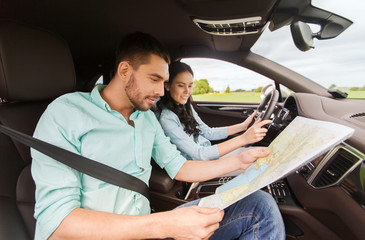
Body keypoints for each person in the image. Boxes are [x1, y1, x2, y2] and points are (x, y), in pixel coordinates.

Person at [31, 32, 285, 239]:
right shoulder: (66, 113)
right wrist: (165, 223)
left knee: (258, 206)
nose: (160, 92)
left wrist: (240, 160)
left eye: (163, 82)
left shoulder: (146, 118)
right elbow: (59, 224)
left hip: (147, 229)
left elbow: (179, 166)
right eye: (154, 79)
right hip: (114, 233)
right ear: (124, 71)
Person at [157, 61, 272, 161]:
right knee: (260, 157)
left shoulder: (186, 106)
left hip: (208, 153)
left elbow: (208, 132)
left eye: (190, 86)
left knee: (265, 152)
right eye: (181, 86)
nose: (187, 91)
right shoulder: (167, 119)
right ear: (167, 86)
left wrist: (242, 126)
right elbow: (198, 154)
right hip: (200, 163)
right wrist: (243, 138)